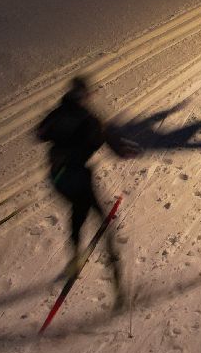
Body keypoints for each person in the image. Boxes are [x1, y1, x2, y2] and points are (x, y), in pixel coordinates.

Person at [34, 76, 140, 308]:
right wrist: (126, 150)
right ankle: (118, 287)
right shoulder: (90, 121)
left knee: (78, 210)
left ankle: (74, 258)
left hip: (57, 178)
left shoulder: (57, 113)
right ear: (84, 96)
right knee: (100, 220)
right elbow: (111, 144)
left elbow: (39, 134)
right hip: (77, 177)